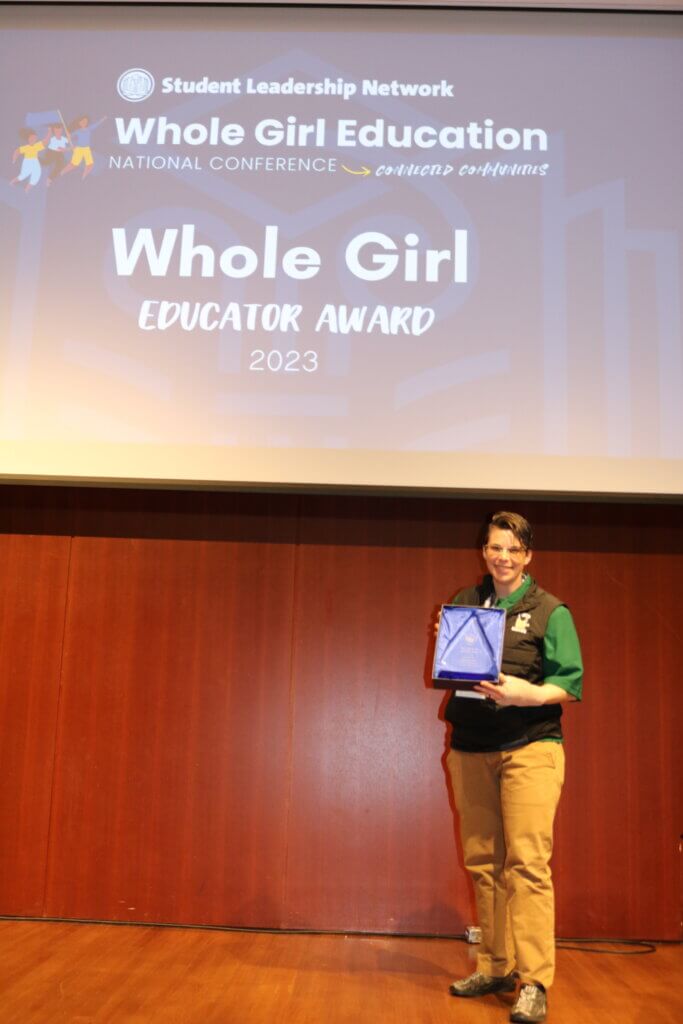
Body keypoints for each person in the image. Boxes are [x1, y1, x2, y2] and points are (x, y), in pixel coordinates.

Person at [443, 511, 582, 1023]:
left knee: (526, 864)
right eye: (493, 547)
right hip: (471, 746)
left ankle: (535, 981)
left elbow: (569, 682)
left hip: (530, 745)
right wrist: (447, 641)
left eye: (512, 549)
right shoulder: (463, 601)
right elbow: (451, 669)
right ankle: (496, 966)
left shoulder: (550, 610)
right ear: (485, 550)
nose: (501, 557)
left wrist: (527, 694)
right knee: (483, 862)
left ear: (528, 556)